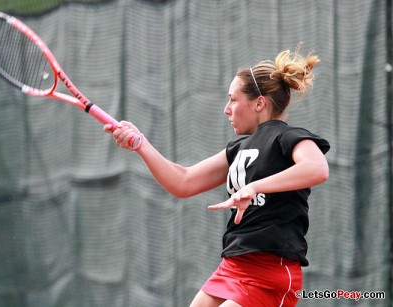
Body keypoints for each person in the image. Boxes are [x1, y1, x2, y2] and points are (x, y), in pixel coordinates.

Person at [104, 46, 330, 307]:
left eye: (233, 99)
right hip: (233, 265)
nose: (226, 109)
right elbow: (183, 181)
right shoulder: (238, 149)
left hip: (270, 270)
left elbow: (317, 168)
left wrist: (254, 187)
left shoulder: (287, 137)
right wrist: (140, 144)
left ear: (259, 103)